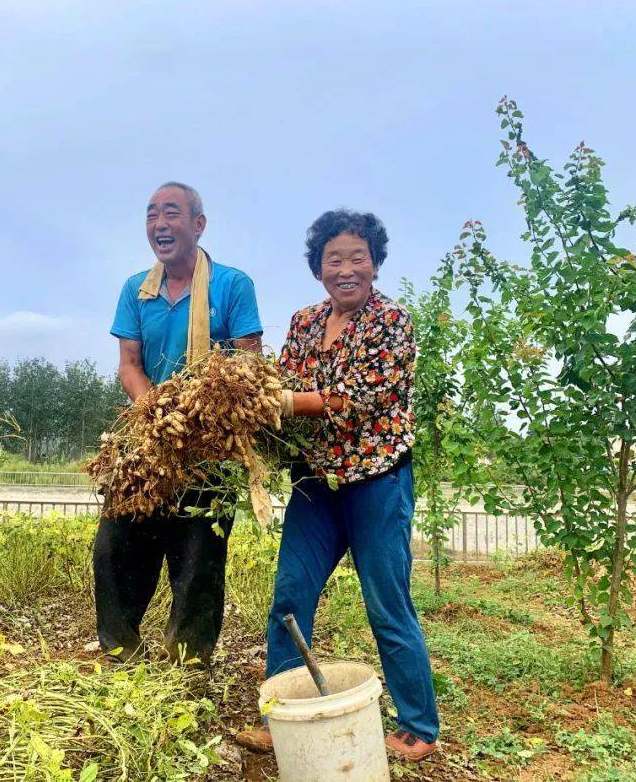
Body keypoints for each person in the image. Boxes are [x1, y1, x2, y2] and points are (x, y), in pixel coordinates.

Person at [237, 210, 440, 762]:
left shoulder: (392, 322)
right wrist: (249, 401)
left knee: (387, 603)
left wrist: (284, 402)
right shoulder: (304, 322)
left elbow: (358, 397)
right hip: (315, 484)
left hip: (376, 482)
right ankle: (282, 714)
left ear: (375, 265)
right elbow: (281, 381)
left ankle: (418, 726)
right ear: (317, 267)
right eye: (334, 259)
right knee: (290, 597)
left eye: (358, 258)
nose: (346, 268)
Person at [95, 181, 263, 665]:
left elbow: (248, 362)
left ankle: (188, 662)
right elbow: (129, 362)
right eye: (151, 215)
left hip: (209, 443)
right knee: (116, 545)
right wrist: (155, 409)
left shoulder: (232, 285)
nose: (159, 224)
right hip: (149, 436)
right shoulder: (136, 289)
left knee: (199, 557)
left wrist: (196, 410)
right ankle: (119, 650)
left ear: (198, 224)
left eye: (171, 213)